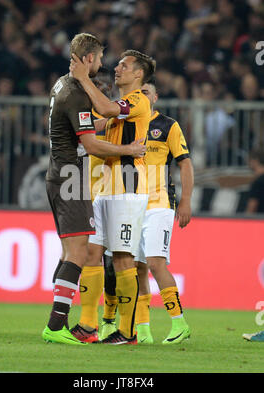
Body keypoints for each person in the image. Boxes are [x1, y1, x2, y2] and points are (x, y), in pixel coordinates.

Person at [42, 33, 146, 346]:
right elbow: (88, 143)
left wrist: (105, 127)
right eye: (100, 58)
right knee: (80, 253)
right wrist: (128, 149)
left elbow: (87, 125)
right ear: (89, 59)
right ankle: (56, 324)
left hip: (61, 175)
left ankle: (66, 318)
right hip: (72, 177)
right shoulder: (77, 91)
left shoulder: (63, 84)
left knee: (70, 253)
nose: (104, 64)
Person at [69, 49, 156, 345]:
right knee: (93, 253)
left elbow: (106, 110)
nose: (117, 69)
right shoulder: (121, 107)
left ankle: (128, 330)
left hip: (128, 188)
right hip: (105, 188)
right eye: (118, 64)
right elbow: (97, 124)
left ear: (138, 75)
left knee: (122, 258)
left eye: (125, 65)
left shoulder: (137, 101)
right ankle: (87, 325)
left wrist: (84, 79)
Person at [100, 80, 194, 345]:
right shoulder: (126, 125)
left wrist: (186, 201)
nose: (141, 96)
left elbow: (185, 163)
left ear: (155, 97)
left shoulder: (167, 126)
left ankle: (179, 323)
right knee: (137, 268)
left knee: (155, 262)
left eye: (145, 92)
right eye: (138, 93)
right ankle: (143, 330)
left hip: (159, 203)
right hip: (132, 203)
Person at [245, 148, 264, 214]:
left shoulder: (258, 182)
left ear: (255, 161)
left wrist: (246, 221)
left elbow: (252, 205)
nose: (247, 163)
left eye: (249, 160)